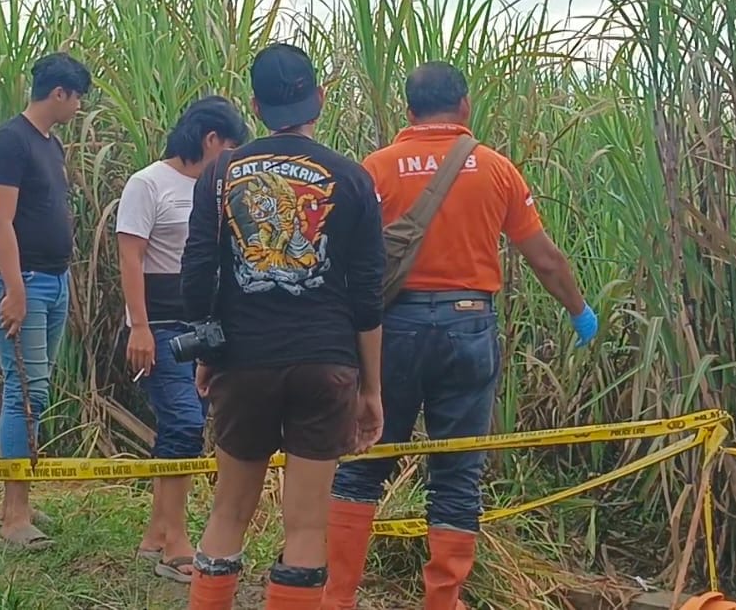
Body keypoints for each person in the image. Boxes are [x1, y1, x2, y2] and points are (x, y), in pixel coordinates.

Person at [320, 61, 599, 610]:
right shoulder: (496, 170)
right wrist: (579, 309)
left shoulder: (375, 168)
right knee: (456, 475)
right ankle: (442, 602)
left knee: (360, 465)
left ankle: (337, 598)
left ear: (408, 110)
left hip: (390, 330)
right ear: (465, 106)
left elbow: (339, 260)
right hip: (468, 325)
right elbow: (543, 257)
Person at [182, 42, 387, 610]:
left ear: (254, 104)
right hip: (326, 362)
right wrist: (371, 388)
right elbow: (367, 295)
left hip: (243, 359)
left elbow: (198, 271)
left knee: (228, 511)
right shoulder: (351, 176)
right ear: (319, 98)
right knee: (305, 528)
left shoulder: (221, 173)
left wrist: (206, 348)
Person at [116, 96, 251, 583]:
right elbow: (131, 257)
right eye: (230, 147)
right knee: (182, 427)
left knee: (188, 427)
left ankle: (157, 532)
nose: (232, 158)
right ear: (211, 139)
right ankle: (176, 542)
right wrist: (140, 325)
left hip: (206, 328)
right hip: (162, 326)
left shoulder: (221, 186)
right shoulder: (148, 183)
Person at [0, 51, 91, 550]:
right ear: (58, 93)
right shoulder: (9, 141)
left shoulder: (50, 144)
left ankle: (14, 500)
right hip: (22, 284)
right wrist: (14, 288)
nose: (80, 106)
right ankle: (14, 519)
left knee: (35, 391)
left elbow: (23, 214)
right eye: (78, 96)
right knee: (25, 391)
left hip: (52, 280)